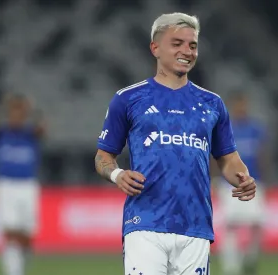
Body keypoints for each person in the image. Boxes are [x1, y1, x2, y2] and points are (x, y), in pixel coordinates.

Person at [95, 12, 257, 275]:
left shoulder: (212, 104)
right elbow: (103, 157)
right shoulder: (128, 99)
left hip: (196, 224)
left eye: (192, 45)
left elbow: (227, 158)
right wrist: (117, 174)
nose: (187, 51)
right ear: (155, 48)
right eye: (177, 43)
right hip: (145, 223)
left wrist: (243, 178)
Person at [0, 93, 46, 275]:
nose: (16, 116)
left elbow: (43, 126)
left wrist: (30, 110)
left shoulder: (31, 134)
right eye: (13, 112)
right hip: (6, 186)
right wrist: (3, 107)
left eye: (20, 112)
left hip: (27, 186)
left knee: (26, 236)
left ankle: (21, 264)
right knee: (10, 232)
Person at [216, 92, 271, 275]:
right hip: (229, 184)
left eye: (244, 105)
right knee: (231, 225)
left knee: (258, 223)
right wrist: (214, 179)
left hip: (254, 182)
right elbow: (216, 157)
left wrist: (265, 180)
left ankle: (250, 258)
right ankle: (231, 267)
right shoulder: (225, 129)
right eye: (239, 105)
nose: (242, 108)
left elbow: (262, 156)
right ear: (233, 107)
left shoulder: (256, 129)